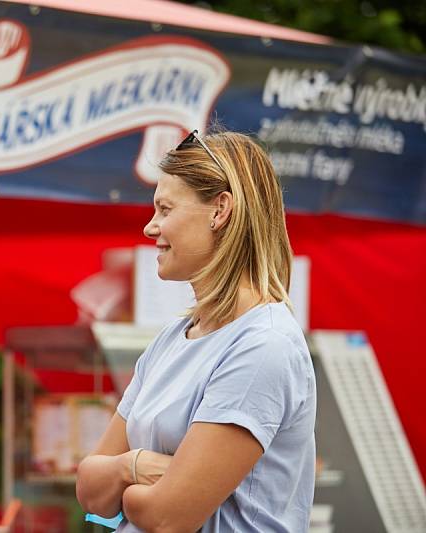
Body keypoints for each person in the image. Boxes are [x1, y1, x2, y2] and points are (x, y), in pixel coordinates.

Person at [76, 129, 316, 532]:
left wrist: (126, 486)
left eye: (165, 210)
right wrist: (133, 466)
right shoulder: (171, 339)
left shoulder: (263, 345)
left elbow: (166, 517)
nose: (150, 229)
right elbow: (89, 490)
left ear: (220, 210)